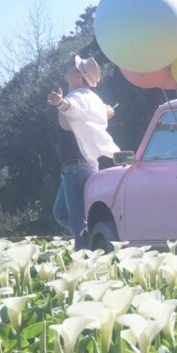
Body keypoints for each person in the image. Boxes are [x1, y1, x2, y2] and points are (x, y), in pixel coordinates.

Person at [47, 55, 119, 249]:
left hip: (75, 168)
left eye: (75, 68)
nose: (71, 68)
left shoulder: (76, 97)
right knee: (61, 213)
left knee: (79, 226)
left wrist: (60, 103)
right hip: (83, 165)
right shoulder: (94, 99)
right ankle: (94, 237)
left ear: (79, 77)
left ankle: (87, 257)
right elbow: (90, 115)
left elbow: (74, 109)